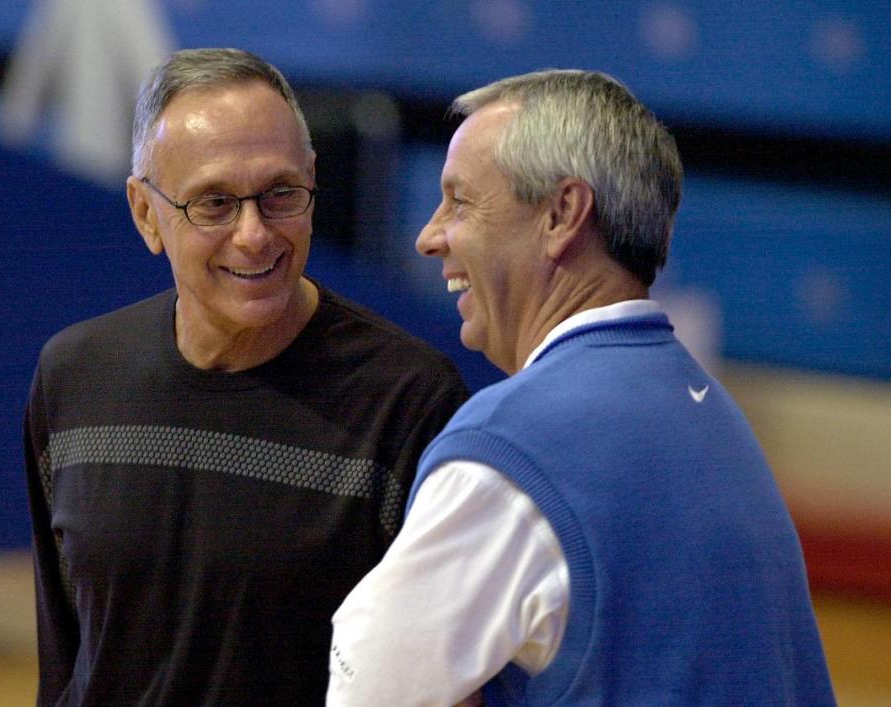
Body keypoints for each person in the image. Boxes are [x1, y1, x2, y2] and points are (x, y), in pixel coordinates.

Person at [327, 70, 835, 705]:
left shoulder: (508, 449)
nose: (430, 236)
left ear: (562, 214)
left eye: (460, 201)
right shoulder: (719, 423)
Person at [23, 48, 469, 706]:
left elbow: (443, 680)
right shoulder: (72, 378)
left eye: (280, 193)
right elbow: (66, 659)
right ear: (146, 214)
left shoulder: (411, 403)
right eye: (215, 203)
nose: (254, 234)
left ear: (314, 185)